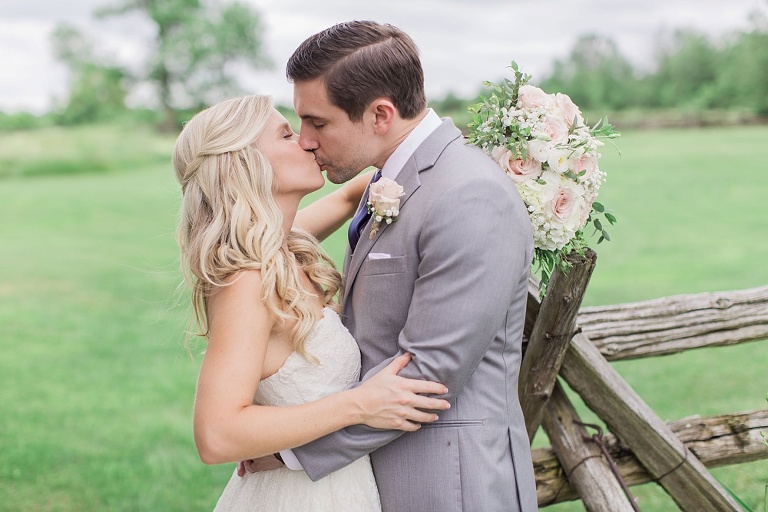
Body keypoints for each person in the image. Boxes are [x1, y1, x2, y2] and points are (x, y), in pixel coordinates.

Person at [254, 20, 539, 512]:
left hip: (448, 483)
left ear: (380, 114)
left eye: (317, 123)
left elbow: (429, 372)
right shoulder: (392, 181)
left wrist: (291, 452)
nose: (305, 140)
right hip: (377, 474)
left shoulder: (470, 195)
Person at [172, 94, 451, 511]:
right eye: (287, 134)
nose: (306, 141)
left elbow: (350, 194)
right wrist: (360, 404)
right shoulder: (247, 281)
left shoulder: (283, 245)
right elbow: (216, 435)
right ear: (248, 165)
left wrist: (481, 149)